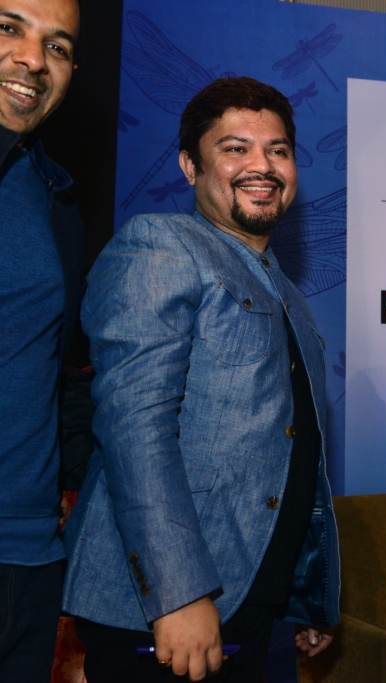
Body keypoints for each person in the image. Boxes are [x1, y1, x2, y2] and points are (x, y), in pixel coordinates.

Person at [62, 77, 340, 682]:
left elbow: (286, 453)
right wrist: (179, 592)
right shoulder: (161, 246)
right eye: (235, 148)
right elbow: (135, 428)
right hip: (169, 608)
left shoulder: (286, 290)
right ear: (190, 165)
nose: (261, 165)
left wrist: (302, 593)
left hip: (253, 604)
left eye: (278, 150)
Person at [0, 0, 82, 679]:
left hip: (30, 557)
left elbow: (51, 372)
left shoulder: (52, 195)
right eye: (8, 27)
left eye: (58, 46)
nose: (33, 59)